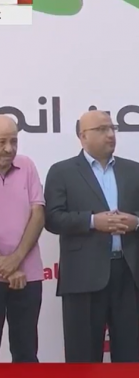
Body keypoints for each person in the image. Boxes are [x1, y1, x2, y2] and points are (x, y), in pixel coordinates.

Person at [44, 110, 139, 362]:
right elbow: (52, 218)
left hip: (128, 273)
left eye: (112, 128)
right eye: (101, 129)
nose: (110, 134)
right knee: (83, 358)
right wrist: (92, 221)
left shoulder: (134, 170)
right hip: (83, 277)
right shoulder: (62, 171)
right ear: (82, 136)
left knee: (129, 357)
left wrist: (136, 221)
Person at [0, 115, 45, 362]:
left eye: (14, 141)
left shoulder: (26, 165)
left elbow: (38, 213)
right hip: (8, 270)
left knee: (26, 352)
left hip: (27, 275)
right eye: (1, 142)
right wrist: (5, 266)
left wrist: (15, 260)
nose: (9, 149)